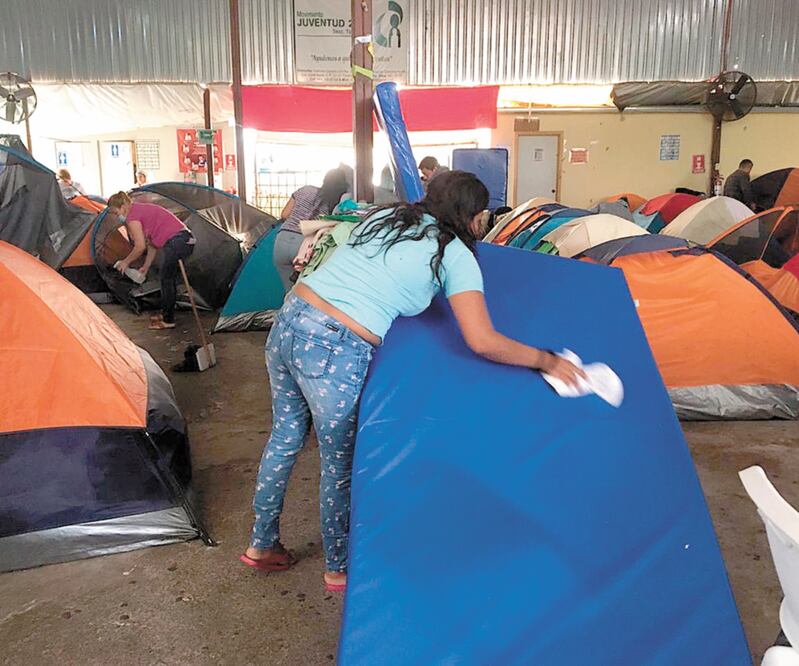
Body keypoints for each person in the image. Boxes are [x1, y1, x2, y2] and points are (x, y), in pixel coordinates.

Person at [241, 171, 584, 592]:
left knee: (285, 437)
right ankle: (339, 568)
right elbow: (482, 340)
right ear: (474, 216)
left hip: (289, 320)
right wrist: (544, 360)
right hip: (334, 345)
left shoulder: (385, 219)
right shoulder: (454, 254)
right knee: (340, 463)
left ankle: (262, 544)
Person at [106, 191, 195, 330]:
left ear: (123, 207)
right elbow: (152, 244)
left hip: (179, 240)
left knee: (167, 279)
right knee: (166, 278)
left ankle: (169, 320)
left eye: (117, 213)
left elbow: (140, 246)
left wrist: (125, 262)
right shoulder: (139, 210)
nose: (119, 217)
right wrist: (146, 266)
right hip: (184, 239)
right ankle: (166, 313)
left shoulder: (132, 215)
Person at [274, 169, 349, 290]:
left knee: (289, 291)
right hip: (304, 244)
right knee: (306, 291)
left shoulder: (305, 190)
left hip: (282, 240)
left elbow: (284, 214)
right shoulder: (334, 201)